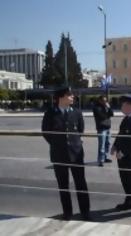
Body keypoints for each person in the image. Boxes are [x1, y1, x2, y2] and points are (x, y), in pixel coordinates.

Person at [42, 87, 90, 221]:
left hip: (76, 153)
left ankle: (85, 212)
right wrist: (58, 144)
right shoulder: (50, 113)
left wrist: (73, 144)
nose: (72, 97)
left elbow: (80, 130)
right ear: (61, 97)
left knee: (81, 184)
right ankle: (67, 212)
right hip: (59, 154)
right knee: (63, 186)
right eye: (70, 95)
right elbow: (46, 132)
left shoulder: (77, 112)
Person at [93, 95, 114, 166]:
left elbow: (112, 114)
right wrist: (107, 111)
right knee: (101, 145)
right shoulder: (96, 107)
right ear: (100, 101)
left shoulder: (106, 107)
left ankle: (104, 157)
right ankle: (100, 160)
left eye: (106, 101)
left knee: (107, 143)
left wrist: (109, 107)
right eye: (104, 101)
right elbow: (102, 116)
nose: (105, 102)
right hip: (101, 128)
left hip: (108, 128)